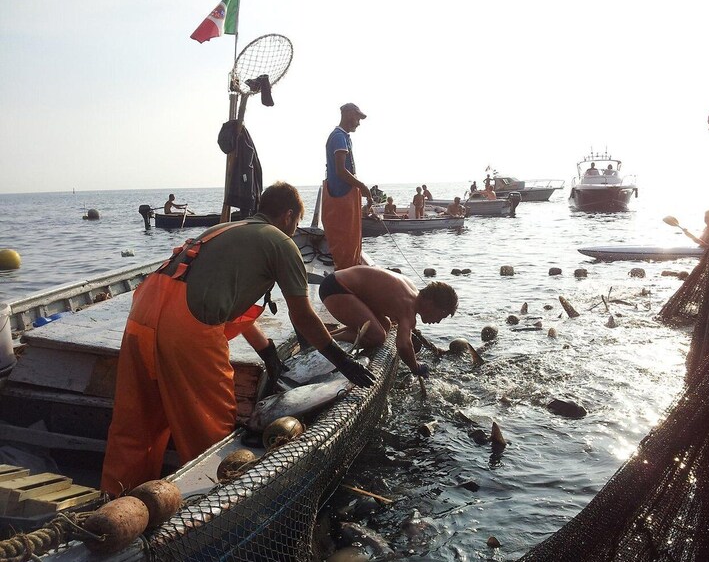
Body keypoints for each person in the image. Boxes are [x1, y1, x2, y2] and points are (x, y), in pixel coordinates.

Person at [101, 183, 375, 497]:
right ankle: (208, 504)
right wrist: (341, 361)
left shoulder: (222, 230)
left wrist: (267, 350)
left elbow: (223, 299)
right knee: (211, 424)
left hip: (141, 315)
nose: (295, 230)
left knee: (136, 422)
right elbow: (303, 315)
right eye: (297, 224)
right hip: (189, 328)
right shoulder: (280, 242)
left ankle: (115, 498)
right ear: (288, 216)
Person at [318, 266, 458, 378]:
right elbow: (403, 345)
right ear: (431, 303)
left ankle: (327, 335)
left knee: (385, 325)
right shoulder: (408, 308)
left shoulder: (412, 291)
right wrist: (416, 367)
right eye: (441, 315)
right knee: (377, 336)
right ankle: (319, 341)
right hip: (336, 290)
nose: (438, 321)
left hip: (336, 282)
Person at [322, 103, 373, 270]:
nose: (358, 122)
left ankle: (348, 270)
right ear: (348, 114)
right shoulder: (338, 137)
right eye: (357, 117)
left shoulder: (344, 137)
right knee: (345, 240)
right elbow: (340, 171)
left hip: (345, 196)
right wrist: (363, 187)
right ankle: (345, 276)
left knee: (351, 240)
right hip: (341, 197)